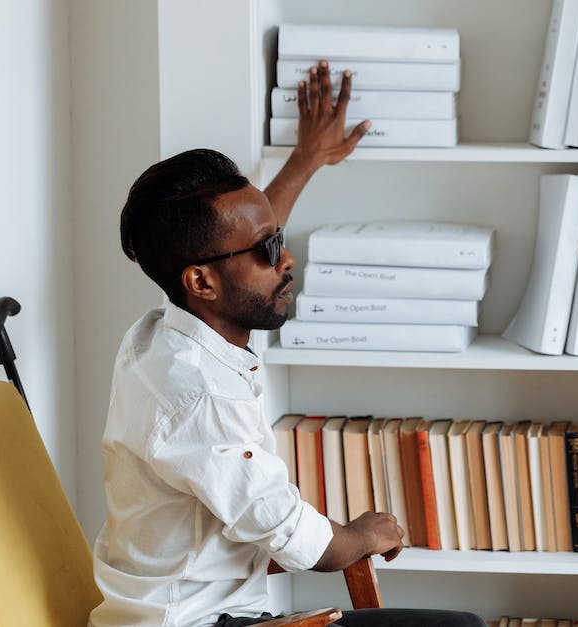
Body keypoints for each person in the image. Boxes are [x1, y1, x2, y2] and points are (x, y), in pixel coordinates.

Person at [91, 61, 487, 627]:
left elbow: (238, 241)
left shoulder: (173, 327)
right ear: (201, 281)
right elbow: (300, 540)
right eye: (270, 250)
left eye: (277, 239)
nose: (289, 257)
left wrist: (307, 160)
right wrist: (363, 534)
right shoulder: (198, 394)